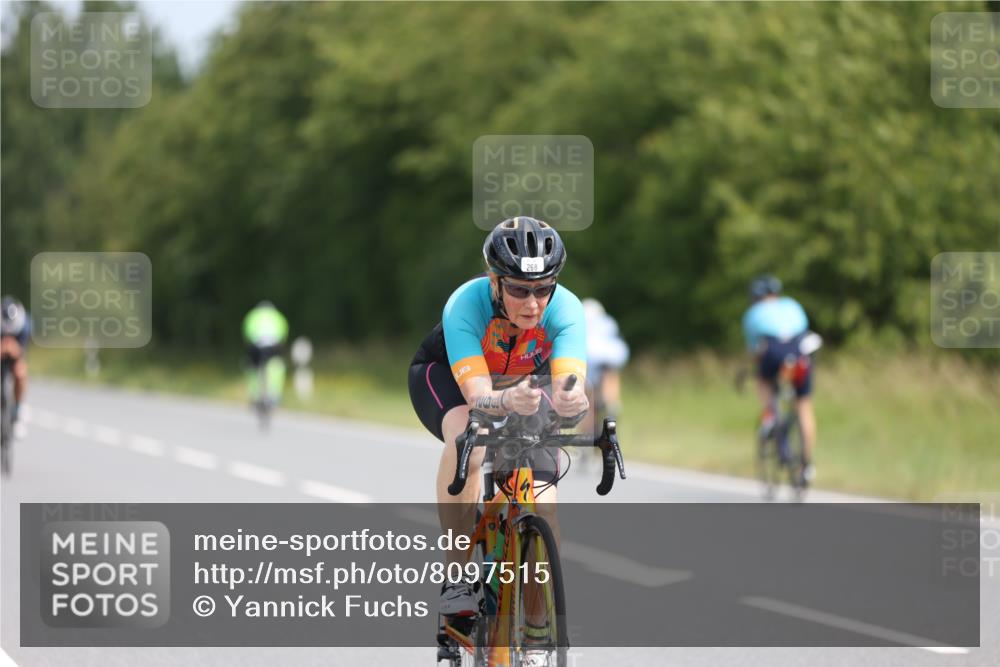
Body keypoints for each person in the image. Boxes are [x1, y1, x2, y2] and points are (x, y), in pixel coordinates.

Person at [408, 216, 590, 618]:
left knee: (544, 506)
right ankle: (456, 575)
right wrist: (507, 401)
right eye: (519, 289)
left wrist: (571, 400)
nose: (532, 303)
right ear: (495, 281)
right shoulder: (465, 304)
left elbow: (568, 382)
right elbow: (478, 396)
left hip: (522, 385)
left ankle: (540, 629)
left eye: (543, 289)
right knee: (467, 444)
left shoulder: (568, 309)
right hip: (448, 378)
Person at [742, 275, 816, 484]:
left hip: (773, 351)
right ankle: (806, 464)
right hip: (800, 352)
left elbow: (755, 352)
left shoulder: (753, 313)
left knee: (763, 380)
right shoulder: (791, 304)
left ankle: (770, 417)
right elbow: (803, 331)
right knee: (804, 407)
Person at [582, 298, 629, 427]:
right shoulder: (608, 323)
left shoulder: (579, 325)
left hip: (589, 366)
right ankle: (612, 403)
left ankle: (607, 406)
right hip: (602, 362)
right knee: (610, 373)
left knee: (587, 398)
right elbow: (618, 350)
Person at [241, 301, 289, 406]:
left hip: (256, 345)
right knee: (278, 365)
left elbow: (246, 334)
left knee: (251, 367)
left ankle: (254, 394)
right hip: (273, 346)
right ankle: (275, 393)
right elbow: (284, 333)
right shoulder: (277, 316)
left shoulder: (252, 315)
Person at [1, 296, 30, 428]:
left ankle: (18, 410)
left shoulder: (24, 324)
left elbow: (23, 351)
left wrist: (14, 349)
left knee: (20, 372)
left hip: (15, 357)